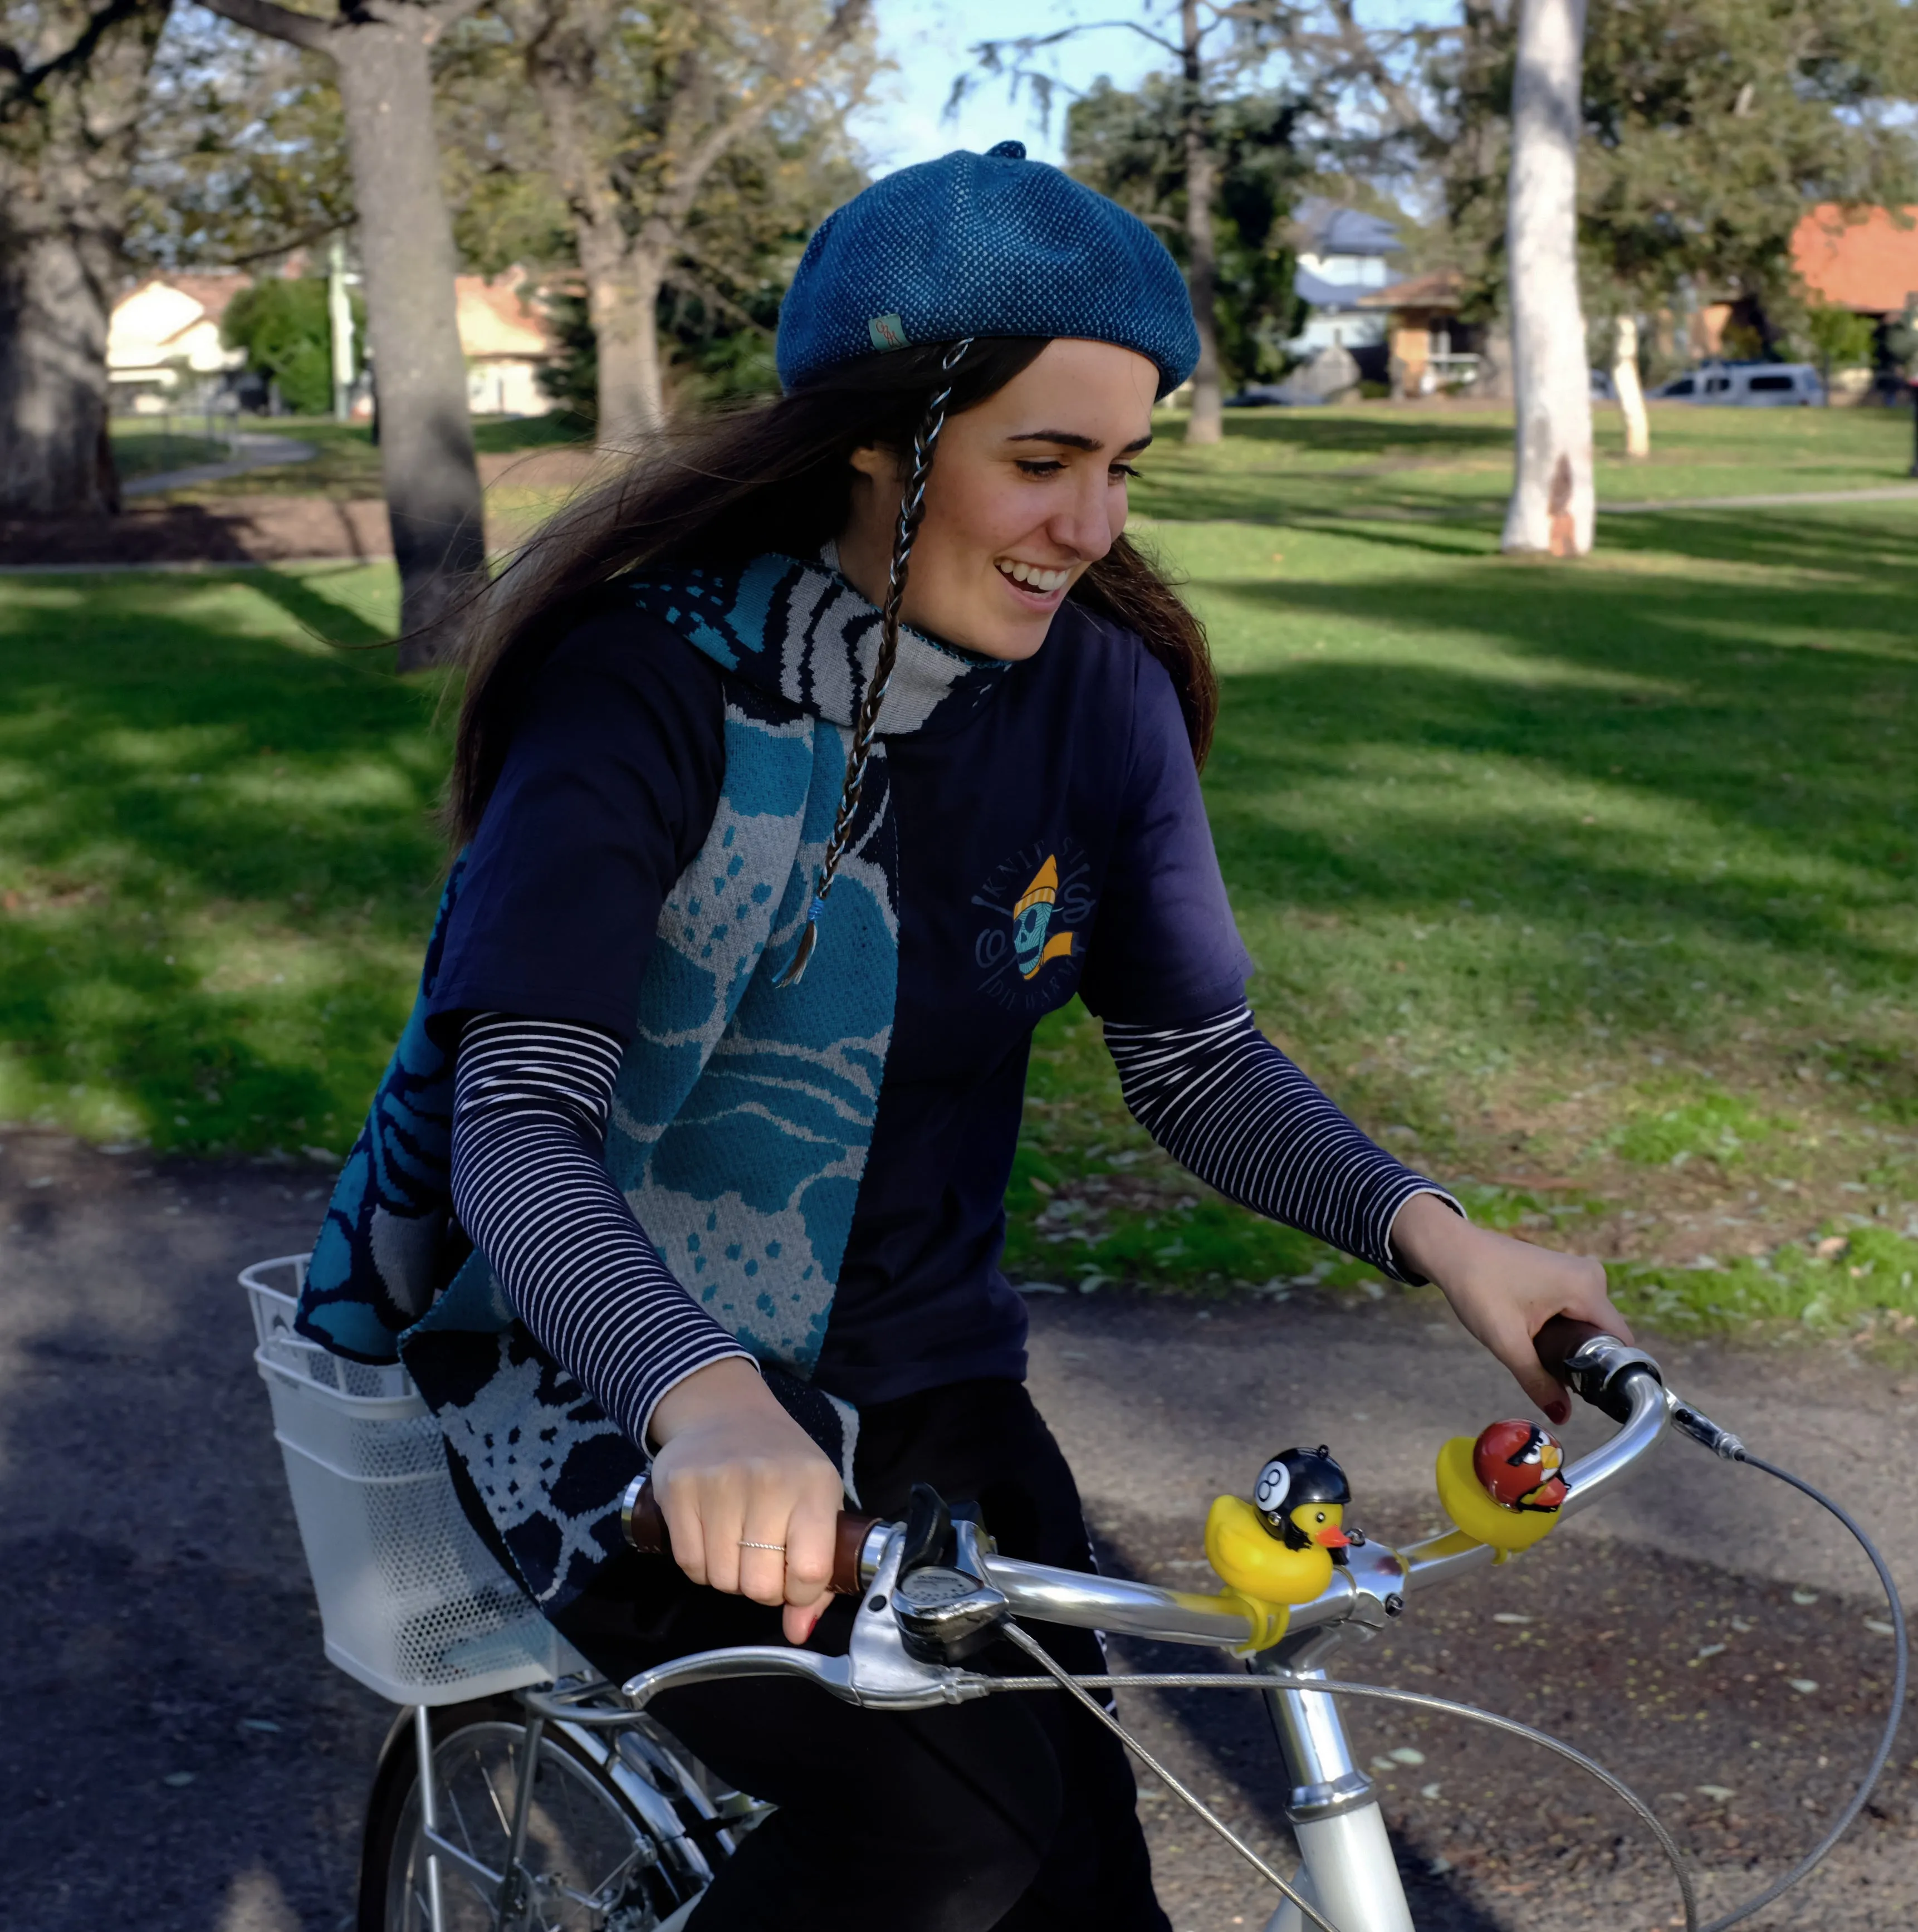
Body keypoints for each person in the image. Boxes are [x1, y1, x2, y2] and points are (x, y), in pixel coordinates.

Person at [305, 141, 1628, 1929]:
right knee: (949, 1845)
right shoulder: (647, 687)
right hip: (607, 1393)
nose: (1091, 529)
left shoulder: (1100, 694)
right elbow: (519, 1121)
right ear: (877, 440)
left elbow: (1192, 1057)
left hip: (928, 1380)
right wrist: (702, 1400)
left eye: (1120, 467)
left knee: (1079, 1878)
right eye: (1038, 462)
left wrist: (1445, 1237)